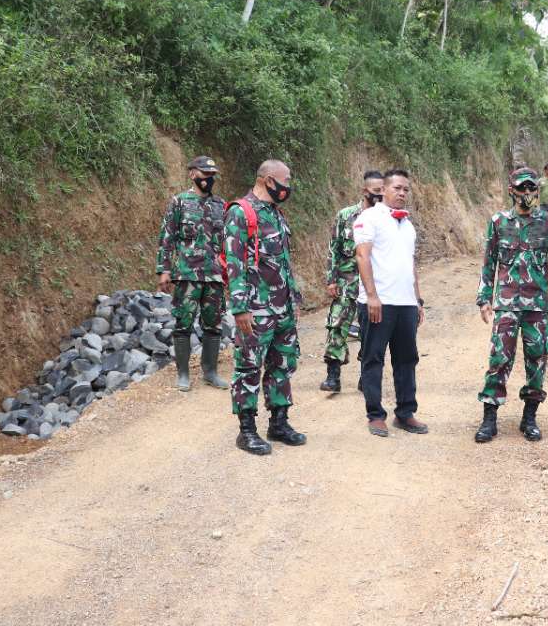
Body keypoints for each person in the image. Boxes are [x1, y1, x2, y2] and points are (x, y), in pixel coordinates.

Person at [475, 167, 548, 443]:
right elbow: (488, 262)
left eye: (531, 188)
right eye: (522, 188)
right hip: (507, 303)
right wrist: (484, 298)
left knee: (538, 360)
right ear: (512, 190)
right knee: (499, 358)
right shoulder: (498, 222)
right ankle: (489, 418)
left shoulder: (547, 222)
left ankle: (529, 417)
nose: (527, 193)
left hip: (537, 306)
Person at [224, 159, 306, 455]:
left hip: (282, 307)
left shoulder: (275, 213)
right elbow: (234, 263)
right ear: (269, 180)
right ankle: (246, 431)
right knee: (248, 367)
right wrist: (239, 307)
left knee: (282, 364)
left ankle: (279, 423)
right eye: (286, 179)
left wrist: (293, 298)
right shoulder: (240, 212)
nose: (288, 185)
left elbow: (283, 261)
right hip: (256, 309)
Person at [353, 169, 427, 437]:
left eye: (406, 189)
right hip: (378, 303)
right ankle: (375, 415)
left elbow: (410, 264)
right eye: (397, 188)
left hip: (405, 303)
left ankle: (405, 413)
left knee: (407, 359)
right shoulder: (369, 218)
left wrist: (417, 300)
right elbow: (362, 257)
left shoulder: (407, 225)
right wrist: (372, 296)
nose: (402, 193)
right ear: (383, 189)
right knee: (373, 358)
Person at [156, 155, 229, 393]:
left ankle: (210, 372)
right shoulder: (179, 202)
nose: (209, 179)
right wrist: (164, 269)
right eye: (205, 174)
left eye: (212, 175)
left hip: (214, 275)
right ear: (192, 174)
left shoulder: (220, 205)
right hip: (187, 273)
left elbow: (227, 242)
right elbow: (167, 237)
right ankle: (183, 374)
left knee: (213, 325)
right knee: (183, 324)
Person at [320, 171, 385, 392]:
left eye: (383, 191)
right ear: (364, 191)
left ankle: (366, 377)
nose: (380, 195)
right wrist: (331, 280)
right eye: (376, 191)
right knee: (336, 325)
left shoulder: (386, 219)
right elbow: (334, 248)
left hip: (374, 285)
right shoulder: (346, 215)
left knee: (371, 330)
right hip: (346, 282)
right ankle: (333, 376)